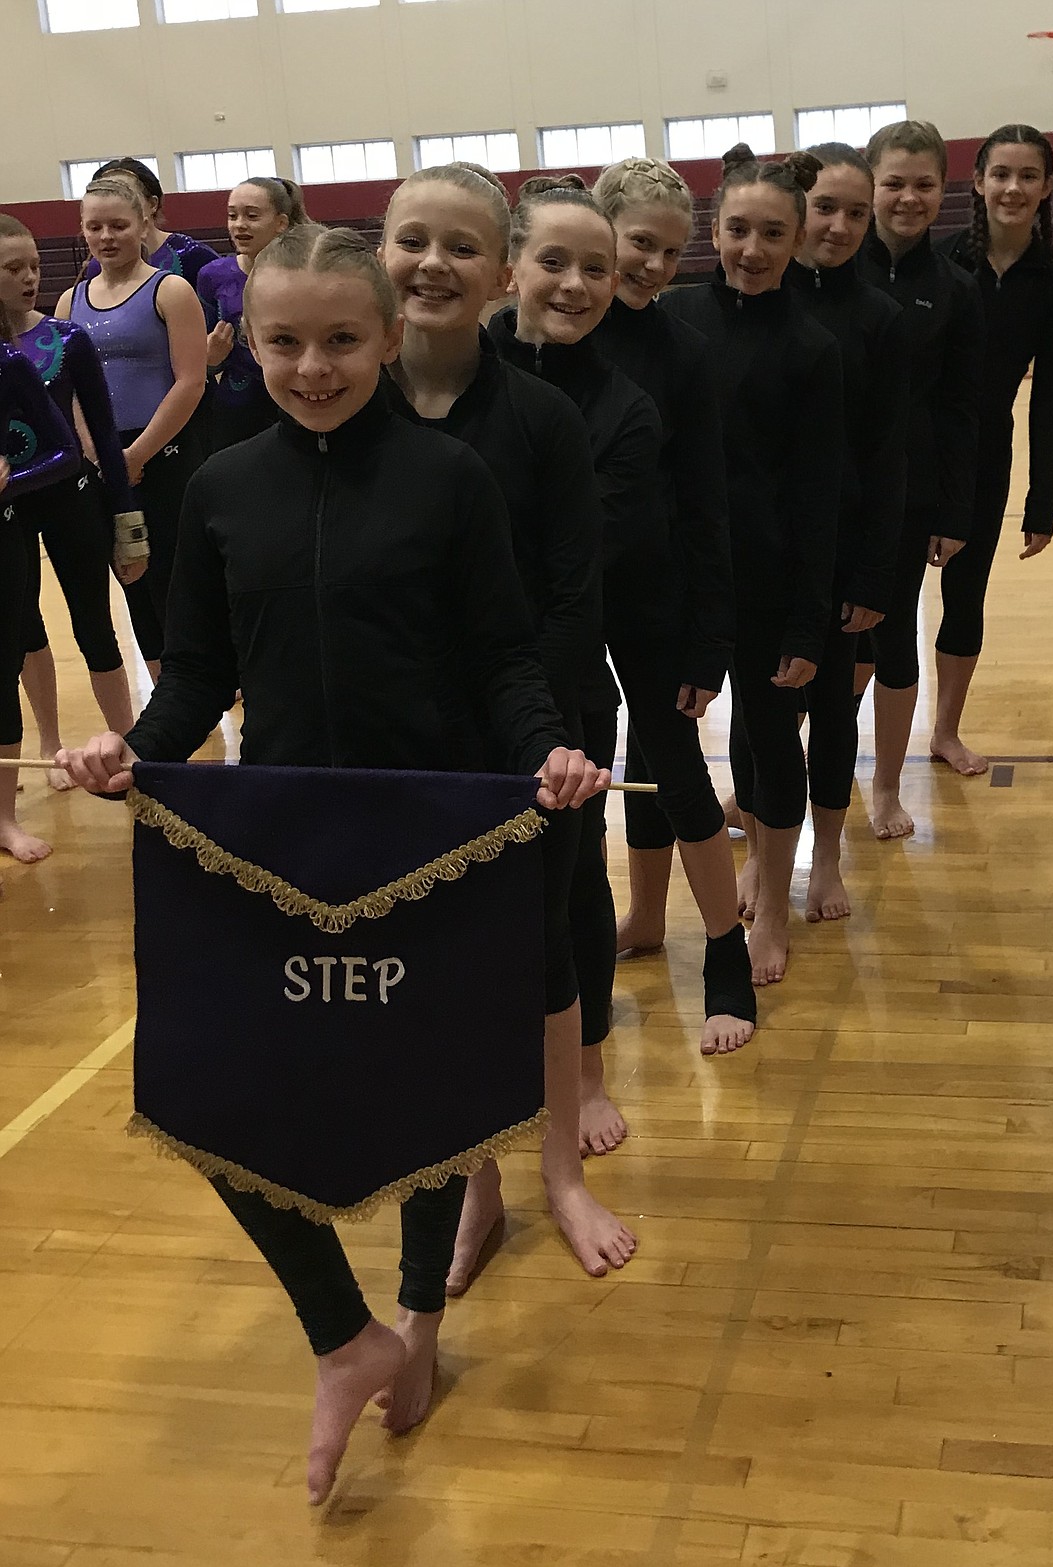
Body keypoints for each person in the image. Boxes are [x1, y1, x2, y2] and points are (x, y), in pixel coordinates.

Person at [57, 223, 610, 1508]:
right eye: (289, 342)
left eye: (343, 340)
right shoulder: (223, 488)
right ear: (250, 342)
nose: (316, 367)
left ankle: (414, 1323)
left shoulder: (452, 479)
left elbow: (504, 659)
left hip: (434, 827)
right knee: (205, 1088)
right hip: (277, 834)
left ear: (384, 335)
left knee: (430, 1094)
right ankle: (339, 1330)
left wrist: (552, 752)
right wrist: (134, 750)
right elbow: (196, 668)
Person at [378, 160, 638, 1279]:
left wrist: (532, 738)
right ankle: (476, 1184)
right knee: (442, 964)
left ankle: (560, 1178)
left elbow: (578, 600)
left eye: (461, 247)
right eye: (411, 240)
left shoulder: (541, 417)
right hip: (407, 749)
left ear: (498, 272)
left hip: (539, 741)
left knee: (538, 951)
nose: (433, 264)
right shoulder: (346, 399)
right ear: (380, 253)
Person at [663, 146, 844, 985]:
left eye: (774, 233)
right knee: (711, 736)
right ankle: (709, 883)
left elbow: (818, 497)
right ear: (714, 227)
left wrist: (810, 619)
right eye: (738, 229)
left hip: (768, 579)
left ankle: (774, 898)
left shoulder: (811, 346)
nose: (752, 248)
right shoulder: (673, 318)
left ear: (798, 237)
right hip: (684, 575)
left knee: (773, 740)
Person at [589, 156, 754, 1071]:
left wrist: (711, 634)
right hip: (566, 602)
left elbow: (705, 501)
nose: (652, 264)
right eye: (638, 243)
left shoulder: (684, 351)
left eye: (668, 249)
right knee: (594, 764)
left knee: (677, 763)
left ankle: (723, 949)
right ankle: (637, 923)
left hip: (656, 594)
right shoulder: (539, 334)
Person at [777, 143, 909, 920]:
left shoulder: (882, 320)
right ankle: (766, 858)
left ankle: (826, 858)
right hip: (763, 552)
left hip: (840, 557)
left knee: (831, 715)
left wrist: (871, 577)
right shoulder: (751, 299)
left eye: (857, 213)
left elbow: (888, 455)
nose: (839, 225)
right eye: (825, 208)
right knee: (765, 724)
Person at [853, 120, 984, 837]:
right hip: (833, 491)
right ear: (871, 184)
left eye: (923, 184)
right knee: (829, 641)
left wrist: (954, 510)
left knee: (894, 635)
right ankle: (804, 780)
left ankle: (887, 786)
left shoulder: (956, 289)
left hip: (909, 494)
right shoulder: (832, 268)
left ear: (944, 190)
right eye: (894, 182)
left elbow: (963, 407)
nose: (908, 198)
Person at [933, 124, 1053, 773]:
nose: (1013, 188)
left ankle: (944, 730)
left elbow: (1049, 398)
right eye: (1001, 174)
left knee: (966, 598)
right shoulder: (940, 262)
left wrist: (1041, 500)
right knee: (868, 607)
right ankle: (827, 746)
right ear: (978, 181)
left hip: (987, 454)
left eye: (1027, 176)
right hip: (914, 449)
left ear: (1047, 186)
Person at [0, 214, 145, 785]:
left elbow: (104, 435)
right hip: (9, 509)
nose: (30, 278)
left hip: (72, 497)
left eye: (35, 265)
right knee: (25, 630)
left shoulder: (65, 340)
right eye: (14, 269)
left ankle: (131, 747)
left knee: (94, 624)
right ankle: (53, 743)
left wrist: (128, 518)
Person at [60, 177, 207, 682]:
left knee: (174, 578)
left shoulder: (170, 290)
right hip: (102, 461)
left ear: (145, 223)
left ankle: (199, 681)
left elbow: (191, 382)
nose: (107, 236)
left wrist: (138, 455)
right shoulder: (69, 302)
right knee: (131, 577)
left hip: (162, 455)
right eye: (95, 226)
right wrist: (96, 452)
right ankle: (165, 689)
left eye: (119, 225)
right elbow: (70, 391)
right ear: (82, 230)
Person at [1, 310, 80, 864]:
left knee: (3, 668)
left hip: (4, 537)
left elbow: (64, 451)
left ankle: (4, 820)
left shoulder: (9, 365)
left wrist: (10, 480)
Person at [198, 177, 311, 451]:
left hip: (301, 396)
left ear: (281, 223)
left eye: (251, 216)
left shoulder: (307, 273)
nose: (239, 224)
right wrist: (210, 360)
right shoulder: (213, 275)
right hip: (237, 406)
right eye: (232, 215)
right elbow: (201, 354)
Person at [86, 158, 218, 287]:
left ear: (153, 203)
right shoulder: (98, 265)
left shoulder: (193, 256)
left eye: (127, 196)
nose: (114, 204)